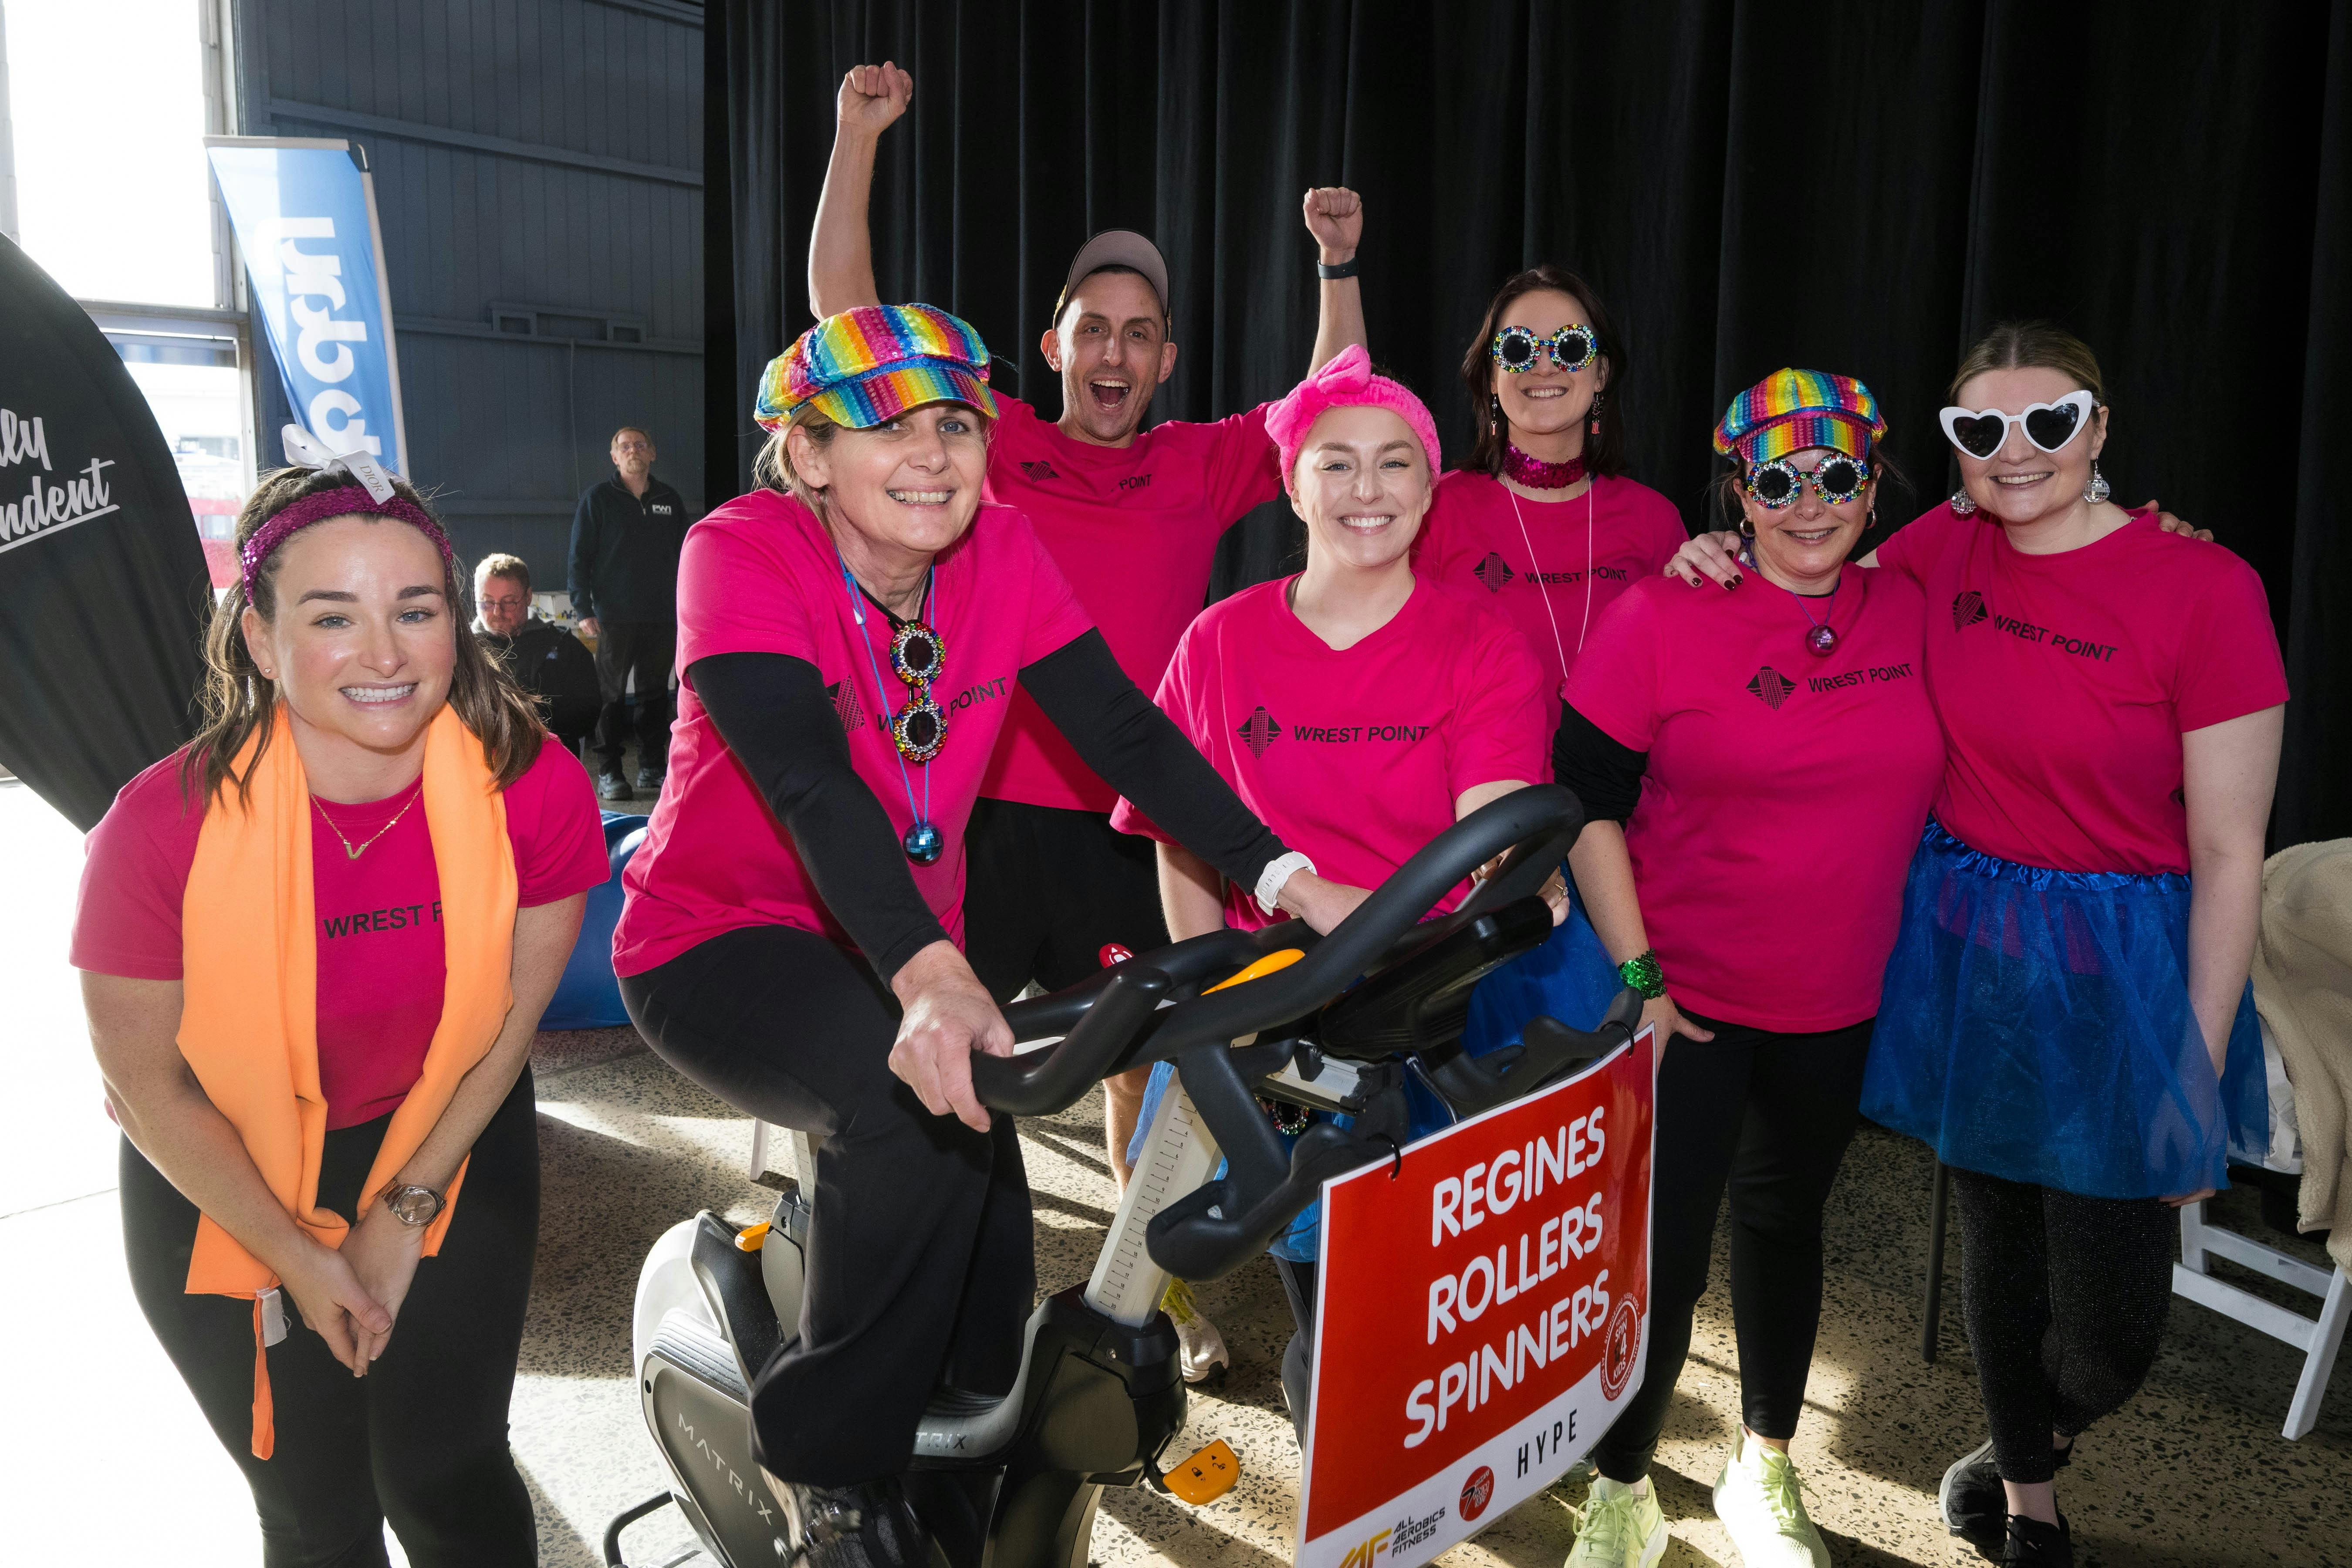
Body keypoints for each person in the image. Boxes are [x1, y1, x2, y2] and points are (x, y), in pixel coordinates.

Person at [611, 304, 1363, 1568]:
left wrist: (1285, 876)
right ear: (807, 455)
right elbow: (807, 780)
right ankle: (829, 1467)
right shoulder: (739, 551)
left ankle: (954, 1480)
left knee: (988, 1236)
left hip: (903, 947)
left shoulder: (1000, 553)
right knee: (904, 1119)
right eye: (887, 426)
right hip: (719, 940)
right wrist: (929, 973)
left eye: (957, 423)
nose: (935, 453)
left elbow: (1123, 735)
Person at [1668, 326, 2286, 1568]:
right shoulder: (1940, 547)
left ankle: (2032, 1439)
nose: (2018, 453)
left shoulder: (2204, 587)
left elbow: (2230, 856)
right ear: (1951, 451)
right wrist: (1720, 552)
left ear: (2100, 430)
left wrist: (2197, 1072)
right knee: (2001, 1239)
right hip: (1969, 949)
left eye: (2050, 424)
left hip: (2124, 970)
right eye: (1983, 430)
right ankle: (2030, 1501)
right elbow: (1812, 564)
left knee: (2112, 1327)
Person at [808, 66, 1372, 1285]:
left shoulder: (1199, 463)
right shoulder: (991, 440)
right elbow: (850, 322)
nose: (1113, 353)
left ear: (1165, 359)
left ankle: (1143, 1302)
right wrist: (856, 139)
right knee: (931, 1045)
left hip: (1137, 828)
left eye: (1140, 332)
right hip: (987, 813)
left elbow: (1337, 405)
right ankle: (895, 1259)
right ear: (1055, 343)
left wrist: (1335, 268)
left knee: (1138, 1071)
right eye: (1093, 328)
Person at [72, 446, 609, 1565]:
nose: (382, 653)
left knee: (446, 1478)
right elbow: (146, 1084)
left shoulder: (533, 785)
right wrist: (301, 1256)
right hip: (219, 1169)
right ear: (260, 638)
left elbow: (512, 1022)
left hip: (447, 1133)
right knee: (316, 1512)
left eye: (415, 609)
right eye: (331, 616)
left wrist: (405, 1207)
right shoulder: (156, 828)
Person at [1112, 345, 1565, 1436]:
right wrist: (1204, 1015)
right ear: (1291, 481)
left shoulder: (1481, 642)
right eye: (1339, 462)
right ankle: (1341, 1462)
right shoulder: (1218, 642)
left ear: (1430, 482)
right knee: (1325, 1301)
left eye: (1397, 463)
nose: (1369, 490)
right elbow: (1180, 844)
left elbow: (1488, 842)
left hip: (1429, 1011)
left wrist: (1403, 910)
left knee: (1431, 1287)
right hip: (1272, 1017)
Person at [1550, 371, 1945, 1568]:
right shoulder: (1661, 617)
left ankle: (1763, 1467)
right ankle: (1620, 1482)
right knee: (1658, 1254)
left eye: (1837, 476)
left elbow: (2036, 513)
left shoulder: (1918, 602)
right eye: (1778, 480)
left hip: (1838, 1003)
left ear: (1873, 488)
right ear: (1739, 493)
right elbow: (1584, 802)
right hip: (1687, 1007)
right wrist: (1640, 981)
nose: (1809, 503)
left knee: (1787, 1223)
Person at [1417, 265, 1689, 713]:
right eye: (1519, 348)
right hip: (1481, 782)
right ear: (1490, 376)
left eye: (1571, 346)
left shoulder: (1654, 519)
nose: (1544, 366)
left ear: (1601, 374)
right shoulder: (1434, 512)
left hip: (1620, 781)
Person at [568, 424, 689, 801]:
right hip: (613, 618)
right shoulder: (598, 499)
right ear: (615, 457)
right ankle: (610, 771)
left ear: (652, 454)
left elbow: (688, 556)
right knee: (611, 696)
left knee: (655, 695)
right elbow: (579, 558)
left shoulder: (670, 498)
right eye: (624, 445)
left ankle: (653, 765)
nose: (632, 449)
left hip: (663, 617)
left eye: (640, 444)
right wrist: (582, 608)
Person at [474, 551, 600, 758]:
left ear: (528, 597)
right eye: (487, 602)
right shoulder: (459, 654)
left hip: (550, 759)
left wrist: (531, 725)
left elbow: (587, 713)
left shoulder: (564, 648)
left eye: (509, 602)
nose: (497, 612)